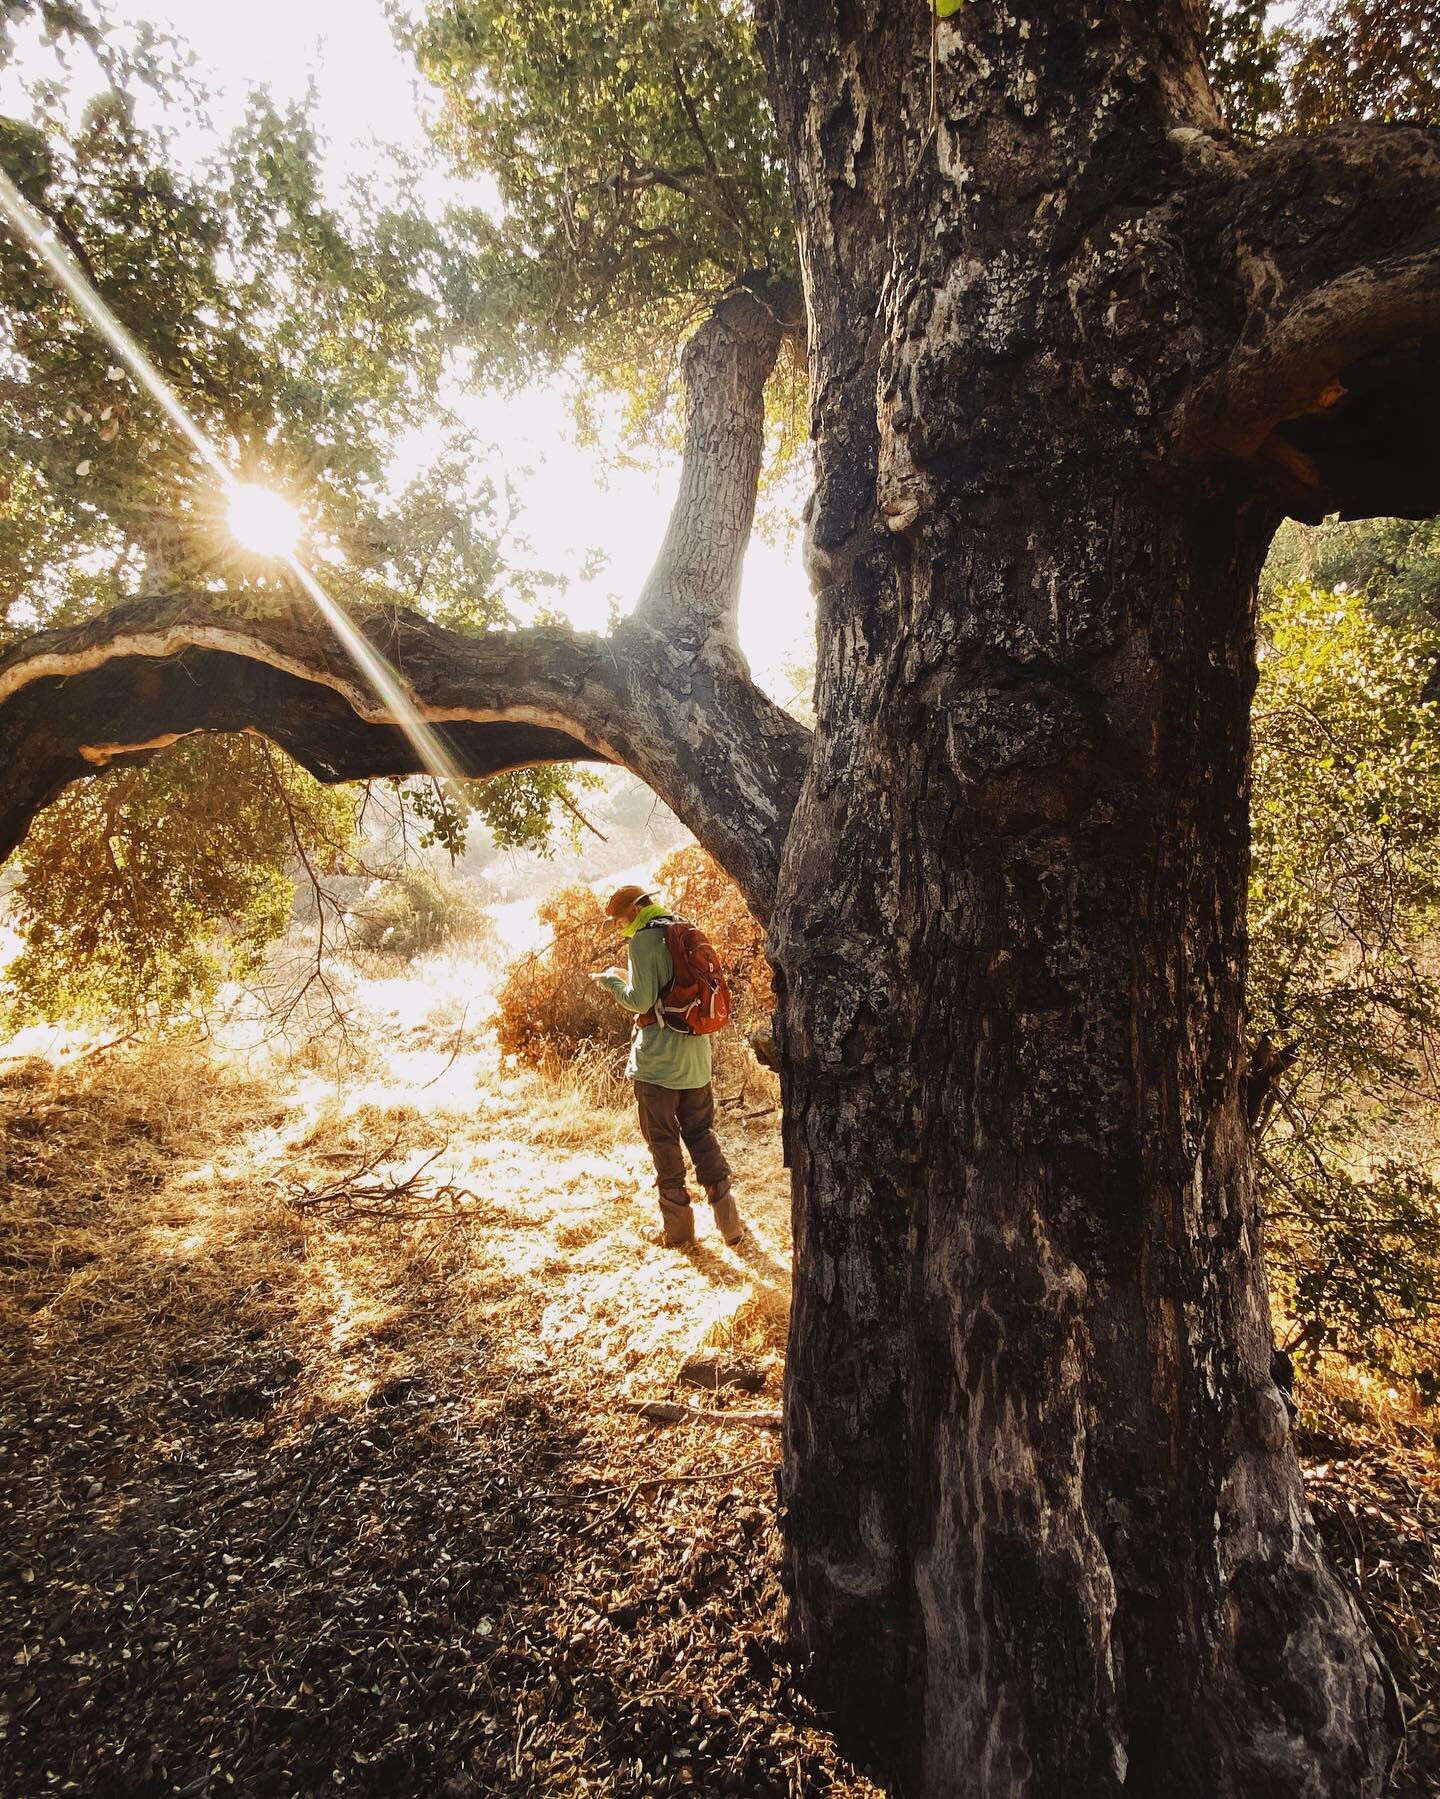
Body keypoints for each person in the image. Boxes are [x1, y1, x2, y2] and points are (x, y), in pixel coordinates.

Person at [590, 883, 743, 1248]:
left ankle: (678, 1232)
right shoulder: (682, 927)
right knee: (701, 1134)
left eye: (618, 921)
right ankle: (730, 1224)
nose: (620, 928)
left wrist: (613, 982)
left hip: (658, 1066)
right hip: (696, 1061)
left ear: (630, 914)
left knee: (663, 1142)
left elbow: (640, 1000)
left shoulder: (642, 940)